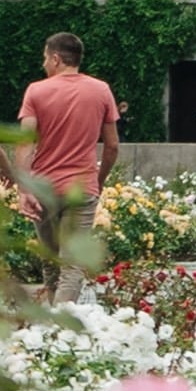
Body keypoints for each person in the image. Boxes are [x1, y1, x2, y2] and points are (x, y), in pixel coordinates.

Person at [16, 33, 122, 252]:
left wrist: (24, 189)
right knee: (72, 264)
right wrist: (99, 180)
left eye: (45, 58)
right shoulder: (101, 90)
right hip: (82, 188)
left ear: (56, 59)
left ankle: (53, 287)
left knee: (51, 258)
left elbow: (25, 143)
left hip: (44, 188)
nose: (43, 63)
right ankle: (62, 288)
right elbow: (112, 146)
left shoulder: (35, 91)